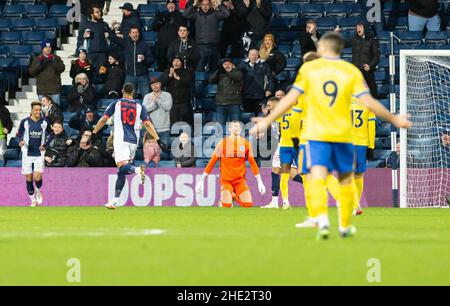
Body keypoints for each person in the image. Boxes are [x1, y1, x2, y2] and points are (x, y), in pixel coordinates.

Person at [251, 32, 411, 239]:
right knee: (344, 179)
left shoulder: (310, 69)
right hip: (344, 134)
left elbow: (290, 99)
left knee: (317, 176)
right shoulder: (351, 71)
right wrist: (394, 119)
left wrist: (267, 120)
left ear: (325, 48)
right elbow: (369, 102)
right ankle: (344, 225)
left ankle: (322, 220)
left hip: (317, 133)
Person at [92, 84, 161, 210]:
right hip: (134, 142)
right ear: (133, 92)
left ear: (122, 91)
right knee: (122, 171)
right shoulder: (140, 106)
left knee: (123, 166)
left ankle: (137, 170)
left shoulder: (116, 103)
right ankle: (115, 200)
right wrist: (157, 139)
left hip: (121, 140)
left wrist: (94, 132)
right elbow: (148, 124)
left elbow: (103, 119)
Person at [196, 120, 266, 208]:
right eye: (235, 126)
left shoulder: (246, 144)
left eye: (239, 126)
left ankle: (232, 195)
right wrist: (202, 180)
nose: (237, 128)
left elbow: (253, 163)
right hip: (226, 181)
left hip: (240, 180)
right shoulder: (222, 144)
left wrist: (260, 182)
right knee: (227, 206)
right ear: (230, 129)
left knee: (248, 205)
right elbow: (212, 162)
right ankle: (224, 200)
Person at [260, 97, 304, 210]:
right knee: (287, 172)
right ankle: (280, 202)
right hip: (288, 144)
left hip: (286, 145)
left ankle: (280, 202)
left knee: (288, 173)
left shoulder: (282, 111)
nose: (268, 107)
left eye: (269, 105)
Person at [16, 101, 51, 207]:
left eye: (40, 110)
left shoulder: (45, 122)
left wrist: (45, 144)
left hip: (39, 153)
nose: (38, 112)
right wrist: (19, 141)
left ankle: (38, 190)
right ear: (31, 110)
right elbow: (18, 135)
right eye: (36, 110)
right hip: (27, 152)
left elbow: (52, 134)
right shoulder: (25, 122)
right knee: (29, 178)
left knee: (37, 177)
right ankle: (32, 200)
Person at [184, 0, 231, 72]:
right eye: (203, 4)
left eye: (207, 4)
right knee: (199, 69)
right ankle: (199, 83)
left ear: (210, 5)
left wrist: (219, 5)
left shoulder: (215, 14)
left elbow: (227, 14)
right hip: (201, 47)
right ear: (200, 5)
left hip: (214, 46)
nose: (205, 6)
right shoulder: (197, 14)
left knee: (214, 70)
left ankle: (213, 83)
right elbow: (185, 14)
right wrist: (193, 5)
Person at [109, 26, 154, 98]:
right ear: (129, 34)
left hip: (143, 76)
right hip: (129, 76)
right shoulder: (126, 43)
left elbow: (151, 60)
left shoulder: (144, 45)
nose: (135, 34)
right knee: (127, 99)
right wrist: (112, 29)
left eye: (136, 32)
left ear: (139, 33)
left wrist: (144, 58)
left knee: (147, 99)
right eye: (133, 32)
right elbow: (112, 38)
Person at [351, 97, 377, 216]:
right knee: (359, 174)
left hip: (346, 142)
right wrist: (371, 147)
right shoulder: (368, 103)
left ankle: (355, 204)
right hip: (362, 143)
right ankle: (356, 204)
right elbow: (371, 127)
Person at [343, 22, 381, 99]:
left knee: (373, 95)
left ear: (365, 28)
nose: (358, 29)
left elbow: (376, 56)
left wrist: (370, 65)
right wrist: (336, 34)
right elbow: (342, 44)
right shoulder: (354, 38)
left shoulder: (372, 40)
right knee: (354, 95)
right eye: (357, 27)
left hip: (367, 71)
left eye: (360, 27)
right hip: (356, 71)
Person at [152, 0, 187, 71]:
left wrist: (174, 22)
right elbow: (153, 27)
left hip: (174, 45)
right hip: (162, 45)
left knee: (175, 67)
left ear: (175, 5)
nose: (171, 5)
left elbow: (184, 29)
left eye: (172, 4)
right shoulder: (161, 14)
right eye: (169, 4)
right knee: (162, 67)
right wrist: (160, 21)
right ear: (167, 5)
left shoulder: (180, 15)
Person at [161, 56, 195, 128]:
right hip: (172, 102)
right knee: (173, 123)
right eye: (174, 61)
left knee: (187, 123)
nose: (176, 63)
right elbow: (162, 83)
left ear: (181, 63)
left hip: (184, 102)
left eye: (178, 61)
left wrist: (177, 77)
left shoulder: (187, 71)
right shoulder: (167, 71)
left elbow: (188, 82)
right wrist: (170, 75)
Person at [29, 41, 65, 105]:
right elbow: (32, 72)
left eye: (49, 47)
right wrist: (40, 65)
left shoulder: (56, 58)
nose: (48, 49)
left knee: (56, 110)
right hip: (42, 89)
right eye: (46, 47)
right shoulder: (37, 59)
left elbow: (61, 69)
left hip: (54, 89)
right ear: (42, 49)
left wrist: (54, 62)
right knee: (43, 110)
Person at [143, 77, 173, 155]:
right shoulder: (147, 96)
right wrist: (153, 104)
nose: (155, 86)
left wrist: (157, 100)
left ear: (160, 84)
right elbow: (144, 110)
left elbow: (168, 107)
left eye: (157, 84)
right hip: (151, 130)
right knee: (151, 154)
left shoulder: (167, 95)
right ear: (151, 86)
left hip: (164, 129)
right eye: (153, 85)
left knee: (163, 154)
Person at [208, 58, 243, 126]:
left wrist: (227, 72)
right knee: (220, 127)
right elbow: (211, 80)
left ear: (233, 65)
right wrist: (218, 71)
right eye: (225, 64)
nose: (227, 66)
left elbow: (236, 77)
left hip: (234, 103)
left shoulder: (237, 72)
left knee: (236, 126)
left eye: (229, 64)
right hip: (221, 104)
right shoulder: (220, 73)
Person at [239, 48, 274, 116]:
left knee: (259, 115)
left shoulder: (264, 64)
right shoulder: (242, 64)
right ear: (248, 56)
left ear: (258, 56)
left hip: (260, 95)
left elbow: (269, 78)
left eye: (256, 55)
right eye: (252, 55)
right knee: (248, 115)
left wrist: (269, 89)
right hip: (246, 95)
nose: (254, 56)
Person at [78, 5, 110, 75]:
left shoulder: (105, 25)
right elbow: (80, 39)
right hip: (90, 54)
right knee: (89, 74)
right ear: (92, 14)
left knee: (102, 74)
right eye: (97, 12)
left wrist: (109, 36)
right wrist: (84, 36)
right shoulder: (86, 25)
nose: (99, 13)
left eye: (100, 12)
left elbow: (110, 40)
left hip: (102, 54)